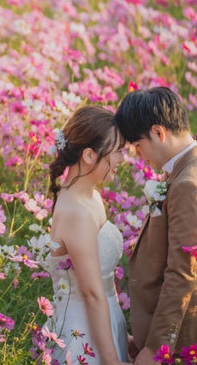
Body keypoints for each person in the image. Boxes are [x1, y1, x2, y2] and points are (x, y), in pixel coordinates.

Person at [114, 87, 197, 365]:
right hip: (174, 332)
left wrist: (157, 348)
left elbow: (182, 272)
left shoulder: (189, 183)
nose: (139, 154)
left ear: (158, 132)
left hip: (180, 342)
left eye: (138, 145)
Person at [44, 105, 130, 365]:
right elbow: (92, 294)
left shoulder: (91, 196)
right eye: (117, 151)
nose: (121, 159)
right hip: (84, 338)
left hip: (104, 325)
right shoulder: (76, 213)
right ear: (90, 155)